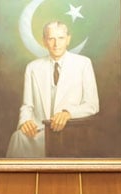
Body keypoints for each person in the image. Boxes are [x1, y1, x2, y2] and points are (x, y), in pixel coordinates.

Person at [6, 20, 99, 158]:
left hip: (69, 130)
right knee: (18, 137)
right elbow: (27, 106)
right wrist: (25, 122)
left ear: (68, 39)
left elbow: (92, 105)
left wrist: (68, 114)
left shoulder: (83, 64)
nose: (56, 44)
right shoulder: (32, 68)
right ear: (44, 41)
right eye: (51, 39)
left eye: (61, 38)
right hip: (38, 132)